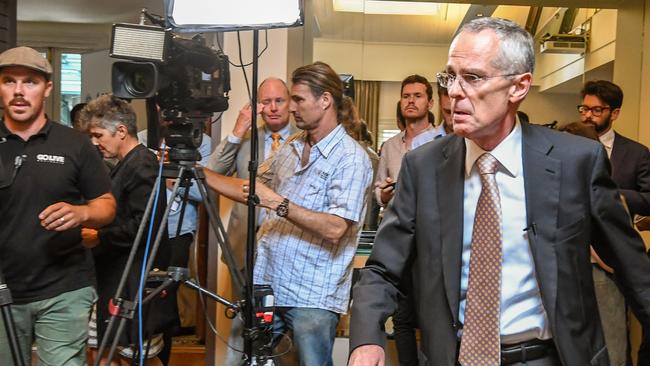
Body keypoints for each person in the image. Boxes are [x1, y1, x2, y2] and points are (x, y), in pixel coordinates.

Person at [348, 17, 650, 366]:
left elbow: (634, 271)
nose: (454, 92)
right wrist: (366, 340)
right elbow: (384, 268)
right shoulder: (424, 167)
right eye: (450, 77)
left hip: (550, 357)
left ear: (518, 87)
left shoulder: (576, 161)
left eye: (473, 78)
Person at [204, 61, 373, 365]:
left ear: (325, 101)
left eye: (298, 99)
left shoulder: (351, 159)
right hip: (268, 282)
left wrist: (278, 204)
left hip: (312, 296)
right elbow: (252, 188)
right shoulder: (293, 145)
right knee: (242, 360)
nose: (291, 108)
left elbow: (336, 228)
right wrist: (198, 174)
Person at [0, 46, 116, 365]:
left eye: (30, 82)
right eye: (9, 81)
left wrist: (82, 213)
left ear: (48, 88)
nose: (20, 91)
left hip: (65, 288)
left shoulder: (75, 144)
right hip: (4, 290)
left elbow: (106, 205)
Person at [80, 94, 177, 366]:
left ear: (121, 131)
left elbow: (144, 228)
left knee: (132, 354)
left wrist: (98, 237)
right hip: (118, 277)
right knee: (106, 352)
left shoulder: (142, 164)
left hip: (133, 280)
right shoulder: (127, 163)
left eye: (99, 135)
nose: (94, 142)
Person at [207, 77, 297, 365]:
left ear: (290, 103)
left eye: (279, 101)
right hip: (244, 247)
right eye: (266, 102)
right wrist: (237, 130)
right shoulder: (247, 140)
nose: (272, 108)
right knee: (243, 322)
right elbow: (211, 172)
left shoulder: (304, 138)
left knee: (282, 324)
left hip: (287, 246)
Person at [578, 80, 650, 366]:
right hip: (571, 257)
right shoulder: (567, 144)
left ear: (615, 113)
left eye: (596, 110)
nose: (588, 116)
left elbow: (648, 198)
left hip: (609, 262)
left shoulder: (635, 153)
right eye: (584, 108)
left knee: (613, 339)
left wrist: (610, 195)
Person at [375, 74, 446, 209]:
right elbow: (379, 186)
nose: (411, 101)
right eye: (406, 96)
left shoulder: (441, 141)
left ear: (430, 103)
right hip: (396, 222)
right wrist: (383, 196)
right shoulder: (389, 145)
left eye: (418, 96)